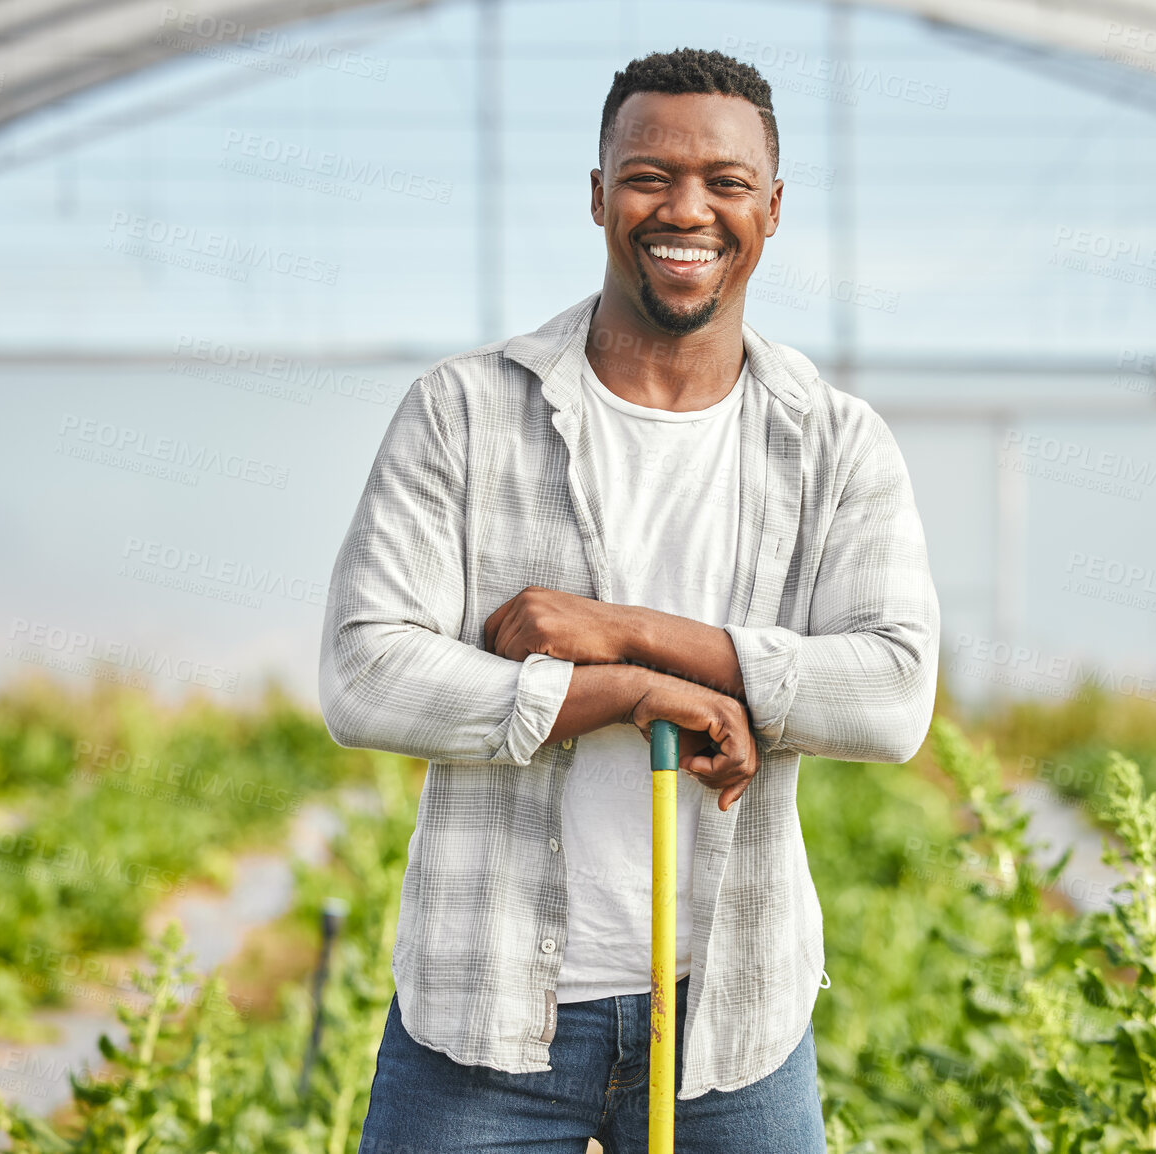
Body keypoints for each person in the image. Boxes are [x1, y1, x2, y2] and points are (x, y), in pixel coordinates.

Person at [320, 45, 939, 1154]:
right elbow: (366, 673)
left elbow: (893, 694)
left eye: (726, 181)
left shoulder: (833, 442)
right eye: (650, 174)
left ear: (774, 208)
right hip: (486, 1016)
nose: (686, 208)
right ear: (600, 194)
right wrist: (629, 689)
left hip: (731, 1018)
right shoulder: (464, 413)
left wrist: (624, 629)